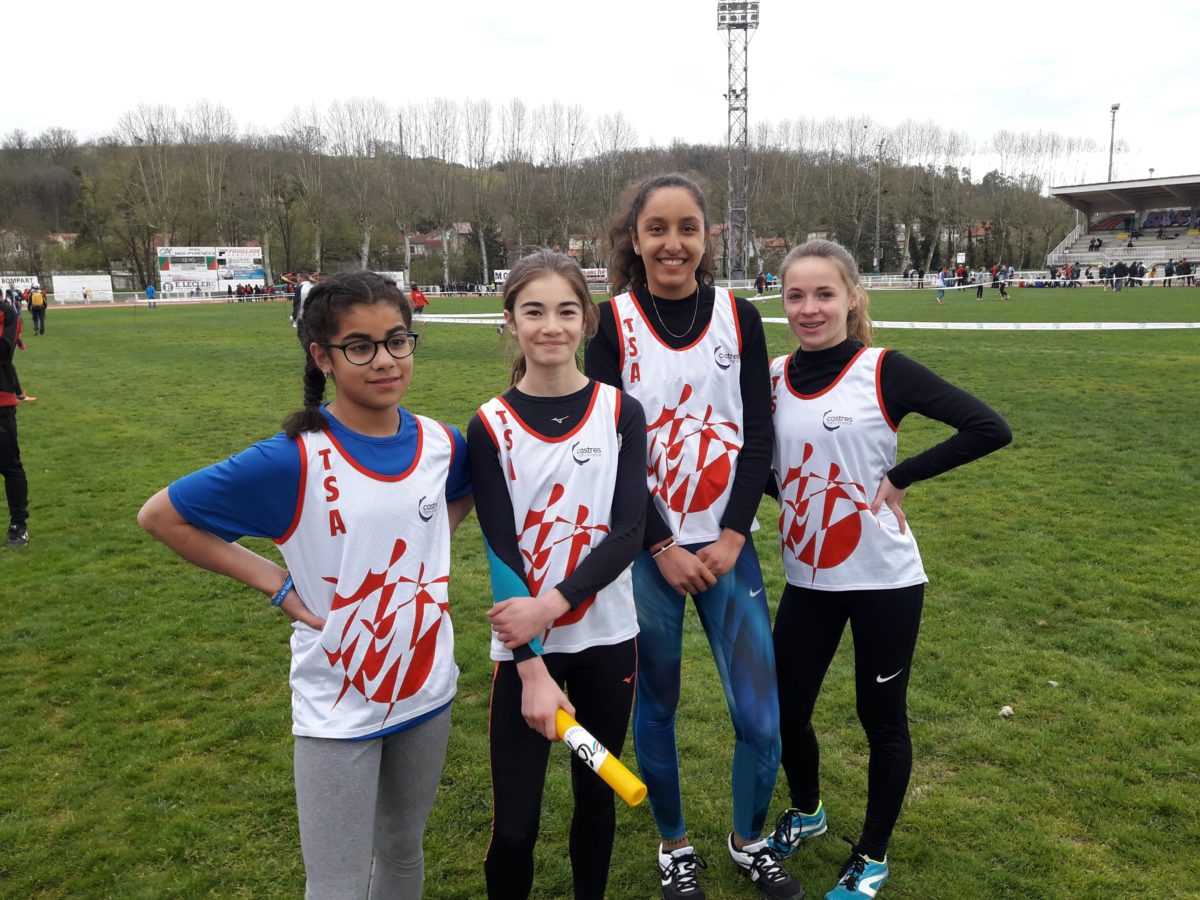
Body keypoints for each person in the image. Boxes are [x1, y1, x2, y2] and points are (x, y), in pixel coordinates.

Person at [138, 272, 472, 899]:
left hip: (427, 684)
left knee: (402, 854)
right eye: (361, 346)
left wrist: (428, 541)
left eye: (398, 341)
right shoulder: (292, 457)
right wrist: (276, 584)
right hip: (336, 700)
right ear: (321, 356)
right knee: (337, 883)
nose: (386, 361)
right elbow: (161, 516)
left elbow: (458, 494)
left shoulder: (441, 443)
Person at [764, 239, 1011, 900]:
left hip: (885, 581)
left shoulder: (884, 370)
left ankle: (871, 856)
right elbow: (772, 474)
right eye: (796, 295)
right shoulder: (774, 375)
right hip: (808, 580)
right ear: (782, 300)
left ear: (851, 298)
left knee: (881, 718)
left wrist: (900, 476)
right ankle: (810, 811)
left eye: (824, 294)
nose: (810, 308)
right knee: (784, 712)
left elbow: (988, 427)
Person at [584, 173, 801, 900]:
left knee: (759, 717)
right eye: (657, 229)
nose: (672, 243)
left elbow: (759, 435)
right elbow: (613, 445)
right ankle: (675, 847)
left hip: (727, 550)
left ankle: (749, 839)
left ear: (710, 237)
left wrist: (734, 534)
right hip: (650, 555)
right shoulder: (610, 325)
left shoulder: (740, 317)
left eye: (687, 228)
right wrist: (660, 546)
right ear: (635, 238)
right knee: (658, 705)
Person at [469, 249, 647, 900]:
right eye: (533, 311)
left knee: (594, 806)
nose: (551, 326)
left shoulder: (620, 413)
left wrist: (554, 604)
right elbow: (500, 549)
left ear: (587, 320)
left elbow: (629, 530)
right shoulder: (489, 425)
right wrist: (532, 661)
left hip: (608, 647)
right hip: (526, 659)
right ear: (510, 322)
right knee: (514, 828)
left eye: (566, 311)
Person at [1, 292, 30, 547]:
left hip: (0, 403)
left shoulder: (6, 311)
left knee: (9, 465)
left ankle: (18, 525)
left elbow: (2, 353)